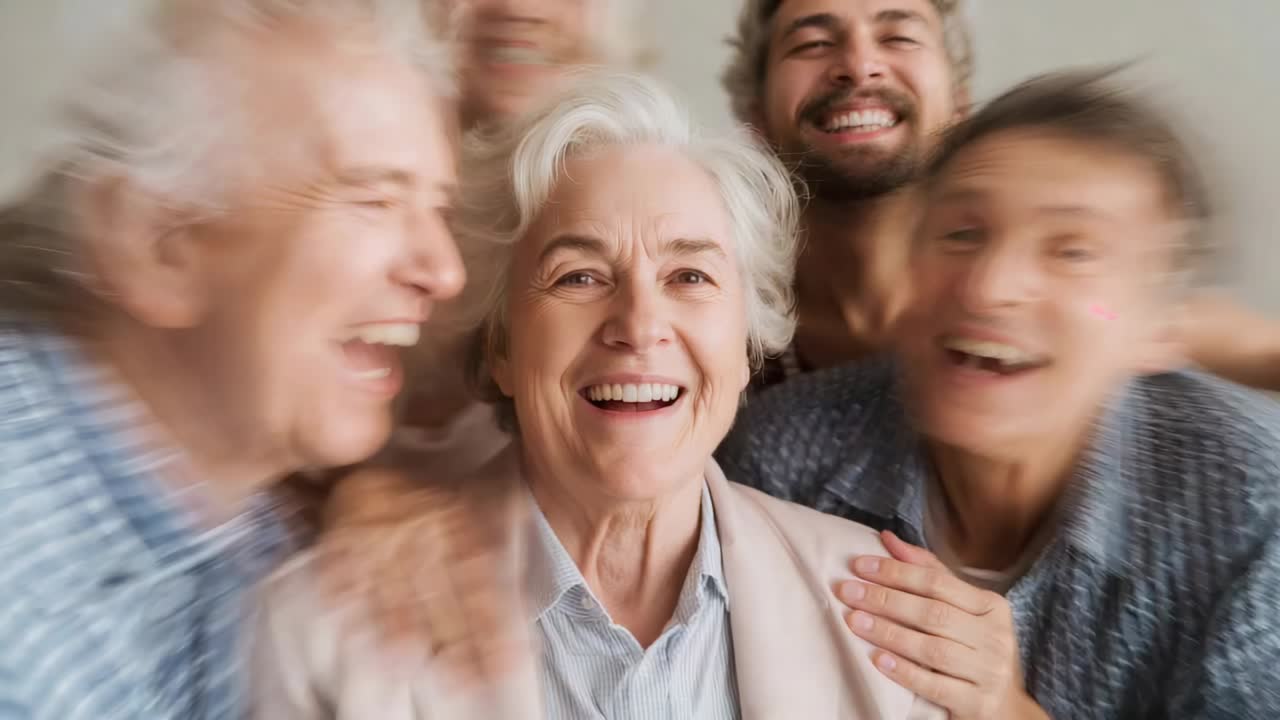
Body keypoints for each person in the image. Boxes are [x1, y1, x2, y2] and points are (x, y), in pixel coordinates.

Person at [252, 70, 946, 720]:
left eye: (690, 277)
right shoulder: (317, 632)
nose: (640, 326)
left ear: (746, 344)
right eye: (579, 276)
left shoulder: (887, 614)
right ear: (499, 344)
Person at [717, 68, 1280, 719]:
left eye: (1072, 251)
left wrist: (1005, 709)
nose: (990, 286)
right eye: (962, 234)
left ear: (1158, 327)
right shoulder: (779, 459)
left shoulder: (1250, 507)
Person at [0, 0, 463, 717]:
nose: (444, 269)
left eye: (438, 207)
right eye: (373, 199)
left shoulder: (254, 525)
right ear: (159, 243)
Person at [722, 0, 1280, 391]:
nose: (859, 65)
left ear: (960, 105)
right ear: (755, 120)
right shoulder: (719, 315)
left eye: (899, 36)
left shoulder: (1074, 299)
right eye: (814, 43)